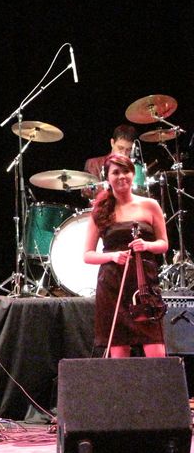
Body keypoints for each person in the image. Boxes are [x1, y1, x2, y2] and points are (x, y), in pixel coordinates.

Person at [83, 153, 168, 357]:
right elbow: (88, 255)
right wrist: (112, 256)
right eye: (116, 172)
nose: (122, 176)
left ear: (133, 174)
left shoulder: (150, 205)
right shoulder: (100, 211)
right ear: (107, 177)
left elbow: (163, 244)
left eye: (126, 171)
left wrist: (147, 245)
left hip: (143, 284)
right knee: (119, 354)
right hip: (113, 283)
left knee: (156, 351)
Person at [82, 124, 138, 202]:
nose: (124, 153)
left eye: (128, 150)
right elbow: (86, 192)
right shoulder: (93, 163)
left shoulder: (134, 168)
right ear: (112, 143)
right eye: (120, 148)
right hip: (102, 207)